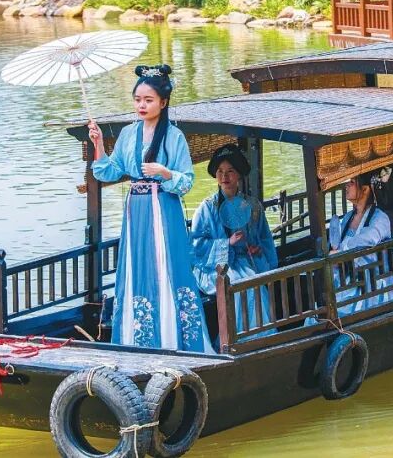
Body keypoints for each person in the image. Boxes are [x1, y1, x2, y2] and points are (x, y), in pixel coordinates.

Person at [86, 64, 213, 353]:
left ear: (163, 102)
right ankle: (136, 340)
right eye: (137, 100)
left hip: (164, 209)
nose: (141, 105)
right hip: (136, 211)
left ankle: (173, 340)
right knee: (136, 265)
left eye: (148, 100)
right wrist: (98, 144)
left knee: (166, 264)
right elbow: (108, 171)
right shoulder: (128, 134)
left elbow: (186, 182)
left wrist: (164, 172)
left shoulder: (174, 136)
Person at [191, 145, 278, 340]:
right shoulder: (206, 208)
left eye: (230, 171)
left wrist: (257, 250)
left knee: (253, 281)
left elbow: (265, 239)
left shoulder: (253, 206)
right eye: (220, 171)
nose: (224, 176)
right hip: (214, 267)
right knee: (238, 282)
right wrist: (226, 243)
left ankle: (260, 337)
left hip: (246, 262)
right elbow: (196, 247)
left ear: (238, 174)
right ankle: (236, 338)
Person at [328, 171, 393, 315]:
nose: (347, 185)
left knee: (339, 310)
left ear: (365, 189)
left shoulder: (380, 218)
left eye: (352, 182)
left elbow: (370, 237)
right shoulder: (348, 218)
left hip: (371, 283)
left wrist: (343, 251)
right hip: (347, 279)